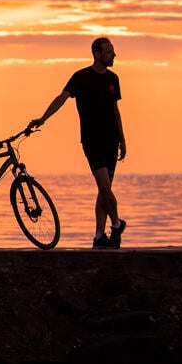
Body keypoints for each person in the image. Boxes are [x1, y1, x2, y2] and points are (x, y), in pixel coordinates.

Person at [28, 37, 127, 249]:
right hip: (92, 140)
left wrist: (123, 140)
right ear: (97, 54)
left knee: (104, 190)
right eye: (109, 52)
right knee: (104, 186)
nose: (114, 55)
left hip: (111, 140)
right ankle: (117, 224)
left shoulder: (113, 79)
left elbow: (115, 112)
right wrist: (43, 118)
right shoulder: (81, 77)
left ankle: (99, 236)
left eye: (113, 51)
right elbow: (61, 98)